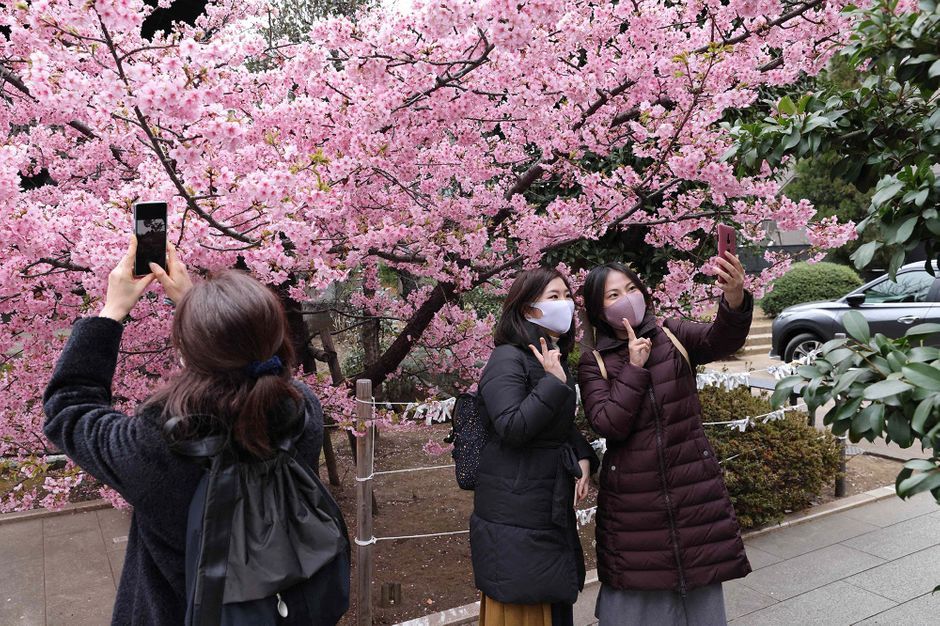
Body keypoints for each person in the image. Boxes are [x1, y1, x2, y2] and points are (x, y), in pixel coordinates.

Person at [42, 238, 333, 625]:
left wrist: (111, 312)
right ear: (278, 339)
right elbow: (255, 372)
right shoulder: (300, 412)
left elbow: (68, 409)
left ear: (187, 352)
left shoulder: (160, 443)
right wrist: (200, 310)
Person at [578, 251, 753, 626]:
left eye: (630, 288)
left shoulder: (671, 333)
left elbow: (722, 339)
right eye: (612, 295)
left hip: (693, 489)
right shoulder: (595, 361)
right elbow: (608, 423)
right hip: (634, 504)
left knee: (701, 596)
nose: (625, 298)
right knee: (638, 603)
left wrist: (735, 299)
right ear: (596, 309)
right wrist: (635, 369)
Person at [470, 267, 599, 626]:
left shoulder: (547, 356)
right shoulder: (507, 358)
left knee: (551, 598)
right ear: (528, 310)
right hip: (516, 511)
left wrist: (584, 456)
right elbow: (511, 425)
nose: (566, 304)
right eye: (553, 297)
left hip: (543, 503)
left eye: (567, 296)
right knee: (526, 603)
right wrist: (553, 384)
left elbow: (554, 426)